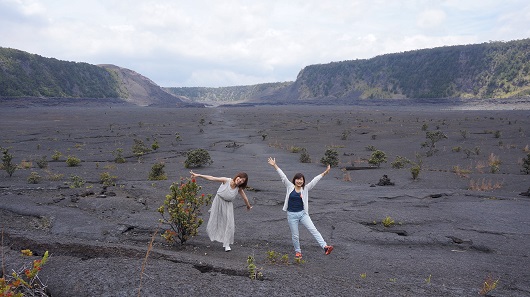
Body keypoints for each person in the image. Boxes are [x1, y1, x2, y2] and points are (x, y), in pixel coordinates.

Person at [267, 157, 333, 259]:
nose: (299, 181)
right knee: (295, 235)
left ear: (303, 181)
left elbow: (315, 180)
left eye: (301, 179)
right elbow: (283, 176)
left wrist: (325, 172)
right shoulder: (289, 186)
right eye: (297, 179)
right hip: (291, 215)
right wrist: (275, 165)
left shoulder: (305, 188)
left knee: (313, 230)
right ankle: (298, 252)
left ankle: (325, 247)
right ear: (295, 180)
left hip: (303, 214)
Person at [190, 170, 252, 252]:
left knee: (229, 224)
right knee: (217, 220)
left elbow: (245, 198)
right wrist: (198, 175)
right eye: (240, 178)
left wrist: (248, 206)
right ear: (237, 176)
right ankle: (214, 214)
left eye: (243, 180)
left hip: (228, 205)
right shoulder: (226, 180)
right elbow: (212, 178)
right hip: (218, 201)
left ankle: (226, 244)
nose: (240, 180)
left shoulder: (239, 188)